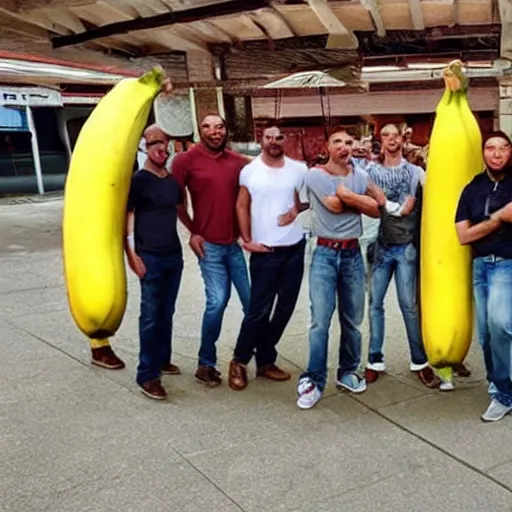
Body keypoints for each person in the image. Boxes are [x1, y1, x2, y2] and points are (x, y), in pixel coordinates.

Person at [296, 129, 386, 409]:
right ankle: (315, 378)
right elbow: (333, 206)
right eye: (338, 142)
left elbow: (379, 203)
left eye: (349, 142)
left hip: (352, 254)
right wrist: (358, 201)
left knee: (352, 320)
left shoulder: (359, 175)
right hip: (324, 253)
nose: (345, 146)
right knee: (319, 321)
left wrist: (348, 194)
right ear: (328, 146)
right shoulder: (315, 174)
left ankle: (348, 371)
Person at [171, 114, 251, 387]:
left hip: (235, 246)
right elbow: (177, 202)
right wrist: (193, 230)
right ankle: (206, 363)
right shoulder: (185, 161)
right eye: (207, 127)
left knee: (253, 304)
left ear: (226, 130)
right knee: (217, 301)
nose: (213, 132)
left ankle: (252, 358)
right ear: (199, 130)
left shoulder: (238, 162)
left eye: (219, 127)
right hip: (210, 246)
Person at [228, 126, 308, 390]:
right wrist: (247, 239)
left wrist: (294, 212)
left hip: (294, 248)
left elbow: (306, 202)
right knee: (259, 310)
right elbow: (241, 205)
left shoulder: (299, 169)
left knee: (285, 308)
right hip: (265, 251)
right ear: (260, 140)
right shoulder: (250, 171)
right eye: (268, 137)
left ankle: (265, 359)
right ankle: (239, 360)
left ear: (285, 140)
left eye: (279, 137)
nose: (274, 141)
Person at [364, 123, 439, 388]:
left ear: (402, 139)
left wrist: (384, 201)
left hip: (406, 247)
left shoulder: (415, 171)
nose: (391, 139)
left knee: (409, 306)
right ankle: (374, 360)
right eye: (386, 135)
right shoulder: (368, 171)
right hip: (381, 246)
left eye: (395, 135)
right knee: (375, 305)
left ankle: (419, 361)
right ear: (380, 140)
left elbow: (414, 204)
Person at [455, 131, 512, 422]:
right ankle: (498, 381)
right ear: (483, 153)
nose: (497, 154)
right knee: (487, 334)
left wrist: (486, 225)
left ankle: (503, 392)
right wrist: (500, 217)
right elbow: (463, 235)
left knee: (500, 324)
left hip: (506, 264)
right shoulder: (472, 189)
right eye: (491, 148)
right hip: (480, 266)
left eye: (503, 148)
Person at [125, 123, 183, 400]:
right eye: (154, 143)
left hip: (173, 254)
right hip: (149, 256)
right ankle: (147, 374)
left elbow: (179, 211)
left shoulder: (171, 181)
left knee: (166, 312)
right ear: (143, 148)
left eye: (165, 142)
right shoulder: (139, 180)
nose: (161, 148)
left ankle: (162, 359)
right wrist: (131, 255)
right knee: (150, 316)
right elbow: (126, 218)